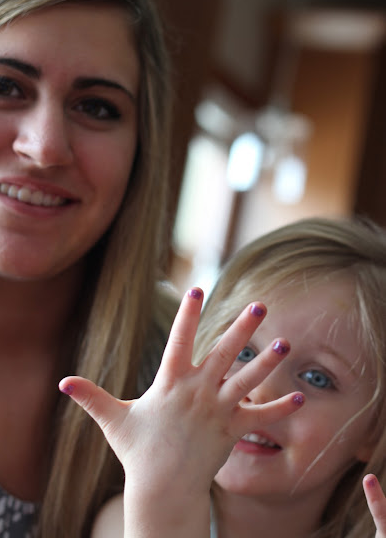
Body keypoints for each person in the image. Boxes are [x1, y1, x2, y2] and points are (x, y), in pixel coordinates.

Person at [0, 0, 177, 538]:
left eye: (97, 107)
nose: (46, 147)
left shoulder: (180, 378)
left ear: (141, 150)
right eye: (2, 86)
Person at [61, 216, 386, 538]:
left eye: (316, 377)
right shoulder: (129, 521)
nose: (258, 391)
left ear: (374, 431)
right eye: (243, 352)